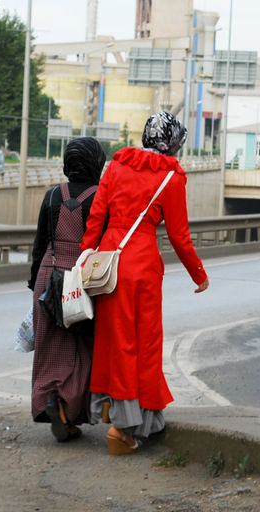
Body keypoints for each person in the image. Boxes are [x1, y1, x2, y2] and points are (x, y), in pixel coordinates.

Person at [80, 112, 209, 456]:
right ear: (174, 141)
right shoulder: (171, 178)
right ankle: (126, 428)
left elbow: (96, 217)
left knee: (113, 340)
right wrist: (199, 274)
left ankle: (111, 408)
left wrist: (85, 257)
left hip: (109, 262)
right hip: (142, 267)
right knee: (143, 343)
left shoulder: (117, 166)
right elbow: (180, 237)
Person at [28, 137, 107, 443]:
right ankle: (66, 410)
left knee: (50, 349)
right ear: (96, 163)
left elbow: (39, 245)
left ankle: (50, 399)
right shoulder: (100, 197)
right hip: (81, 280)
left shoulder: (51, 196)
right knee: (80, 349)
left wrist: (34, 284)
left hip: (47, 278)